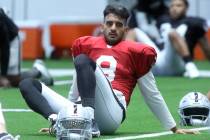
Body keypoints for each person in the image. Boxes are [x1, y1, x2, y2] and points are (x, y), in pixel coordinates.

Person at [19, 4, 198, 139]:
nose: (113, 28)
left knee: (83, 60)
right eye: (109, 23)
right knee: (27, 83)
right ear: (102, 26)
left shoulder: (136, 52)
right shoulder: (87, 45)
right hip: (83, 106)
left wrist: (172, 127)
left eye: (118, 25)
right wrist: (67, 115)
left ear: (125, 29)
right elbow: (77, 83)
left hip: (111, 113)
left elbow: (152, 94)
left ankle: (88, 120)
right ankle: (56, 121)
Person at [153, 0, 210, 78]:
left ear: (186, 8)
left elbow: (206, 48)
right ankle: (130, 68)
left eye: (178, 5)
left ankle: (190, 67)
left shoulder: (194, 22)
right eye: (172, 6)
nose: (174, 8)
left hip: (179, 63)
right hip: (161, 59)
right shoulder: (162, 20)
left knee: (173, 33)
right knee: (134, 32)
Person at [0, 8, 53, 87]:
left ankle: (38, 71)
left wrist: (3, 75)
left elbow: (5, 47)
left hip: (11, 40)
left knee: (13, 79)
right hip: (3, 41)